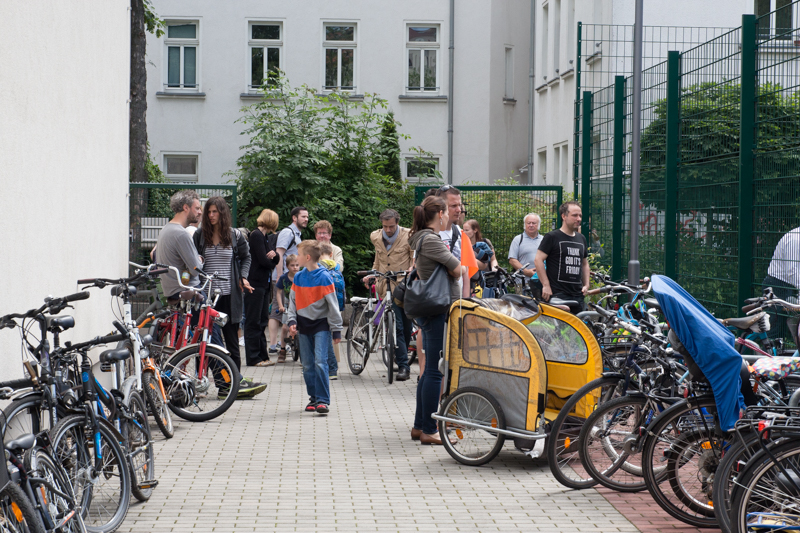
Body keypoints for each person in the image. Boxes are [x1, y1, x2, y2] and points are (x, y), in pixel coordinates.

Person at [193, 197, 266, 398]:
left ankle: (230, 386)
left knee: (232, 343)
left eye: (215, 212)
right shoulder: (200, 235)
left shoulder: (234, 235)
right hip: (206, 298)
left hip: (229, 296)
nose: (211, 215)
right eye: (208, 212)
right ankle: (201, 384)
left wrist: (243, 277)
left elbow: (247, 257)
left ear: (223, 213)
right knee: (205, 342)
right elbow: (192, 262)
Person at [408, 196, 467, 445]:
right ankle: (429, 430)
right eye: (447, 212)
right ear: (440, 214)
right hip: (437, 309)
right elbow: (458, 268)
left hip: (430, 308)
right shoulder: (431, 239)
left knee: (429, 370)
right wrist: (459, 268)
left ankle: (419, 426)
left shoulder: (422, 237)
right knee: (434, 370)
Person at [287, 240, 343, 415]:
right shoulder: (298, 277)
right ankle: (313, 398)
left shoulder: (324, 277)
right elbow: (292, 302)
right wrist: (291, 321)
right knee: (307, 365)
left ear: (308, 257)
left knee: (320, 362)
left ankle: (323, 400)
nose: (296, 257)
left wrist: (336, 329)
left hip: (321, 325)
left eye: (299, 254)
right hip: (303, 325)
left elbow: (333, 305)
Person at [365, 209, 415, 382]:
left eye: (391, 226)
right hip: (385, 286)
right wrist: (372, 273)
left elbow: (413, 258)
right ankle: (403, 366)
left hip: (403, 286)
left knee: (406, 327)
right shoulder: (375, 236)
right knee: (397, 326)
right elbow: (378, 258)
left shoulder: (408, 236)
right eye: (385, 226)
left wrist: (412, 269)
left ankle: (400, 355)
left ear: (397, 223)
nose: (388, 230)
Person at [534, 201, 590, 313]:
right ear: (564, 216)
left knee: (579, 323)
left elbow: (584, 263)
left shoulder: (581, 238)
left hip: (577, 294)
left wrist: (587, 285)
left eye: (580, 215)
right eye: (574, 215)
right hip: (558, 294)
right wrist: (546, 285)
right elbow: (538, 260)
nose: (578, 219)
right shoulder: (552, 237)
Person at [269, 206, 309, 356]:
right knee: (276, 310)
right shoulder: (288, 232)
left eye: (307, 217)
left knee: (290, 310)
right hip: (283, 278)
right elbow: (279, 254)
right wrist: (280, 275)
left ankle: (285, 342)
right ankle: (273, 345)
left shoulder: (297, 234)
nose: (306, 219)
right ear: (294, 218)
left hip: (294, 279)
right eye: (303, 216)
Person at [244, 209, 280, 367]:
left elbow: (275, 256)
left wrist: (274, 258)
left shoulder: (265, 237)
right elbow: (264, 261)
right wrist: (272, 261)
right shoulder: (256, 235)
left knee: (262, 320)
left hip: (264, 285)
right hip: (255, 283)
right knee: (254, 321)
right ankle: (253, 358)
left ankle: (263, 356)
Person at [155, 190, 204, 300]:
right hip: (189, 293)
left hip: (173, 293)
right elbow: (196, 269)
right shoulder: (181, 234)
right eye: (197, 208)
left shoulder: (166, 229)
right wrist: (200, 259)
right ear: (186, 208)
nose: (200, 212)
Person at [763, 226, 800, 340]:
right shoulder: (795, 239)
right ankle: (767, 350)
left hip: (789, 286)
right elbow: (792, 271)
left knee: (785, 330)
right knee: (775, 331)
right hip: (777, 285)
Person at [435, 185, 470, 298]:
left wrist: (466, 299)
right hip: (436, 297)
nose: (459, 210)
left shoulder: (459, 231)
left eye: (459, 205)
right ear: (441, 207)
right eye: (454, 206)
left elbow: (466, 268)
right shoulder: (430, 233)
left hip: (456, 296)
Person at [319, 242, 345, 380]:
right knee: (328, 337)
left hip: (322, 307)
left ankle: (328, 368)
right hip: (334, 307)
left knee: (323, 339)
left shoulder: (319, 268)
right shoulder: (336, 267)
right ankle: (333, 369)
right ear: (331, 254)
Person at [509, 213, 544, 296]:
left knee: (541, 303)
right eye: (528, 223)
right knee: (523, 304)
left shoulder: (544, 240)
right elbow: (512, 260)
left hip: (541, 282)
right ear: (525, 225)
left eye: (534, 223)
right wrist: (526, 272)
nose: (531, 225)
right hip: (522, 283)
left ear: (538, 225)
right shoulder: (518, 239)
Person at [274, 254, 300, 363]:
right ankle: (282, 350)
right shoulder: (284, 278)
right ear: (287, 266)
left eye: (297, 265)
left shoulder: (301, 277)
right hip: (287, 303)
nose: (295, 267)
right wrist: (280, 306)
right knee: (285, 328)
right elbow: (278, 292)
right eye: (292, 265)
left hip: (300, 303)